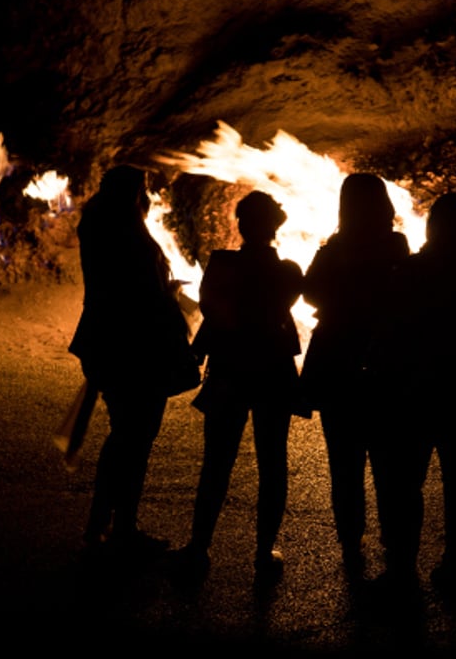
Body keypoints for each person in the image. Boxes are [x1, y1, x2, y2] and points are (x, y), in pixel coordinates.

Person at [171, 191, 304, 585]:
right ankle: (264, 552)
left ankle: (199, 546)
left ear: (242, 225)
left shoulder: (220, 265)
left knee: (216, 462)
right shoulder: (289, 272)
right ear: (275, 227)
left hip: (230, 371)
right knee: (272, 462)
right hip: (274, 373)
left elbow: (212, 312)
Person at [68, 164, 200, 558]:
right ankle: (119, 526)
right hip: (137, 350)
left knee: (125, 435)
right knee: (134, 439)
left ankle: (106, 522)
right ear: (132, 195)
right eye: (142, 191)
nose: (146, 199)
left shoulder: (100, 226)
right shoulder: (125, 234)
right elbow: (139, 297)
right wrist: (170, 295)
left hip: (109, 344)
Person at [373, 191, 456, 593]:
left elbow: (392, 327)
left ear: (431, 227)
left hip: (417, 387)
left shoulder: (409, 272)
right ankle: (452, 564)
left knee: (408, 480)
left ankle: (402, 569)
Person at [300, 172, 410, 579]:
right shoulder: (395, 245)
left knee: (344, 461)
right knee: (388, 460)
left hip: (337, 364)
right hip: (383, 364)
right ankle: (394, 542)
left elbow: (310, 291)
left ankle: (351, 539)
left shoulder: (335, 249)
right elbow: (402, 294)